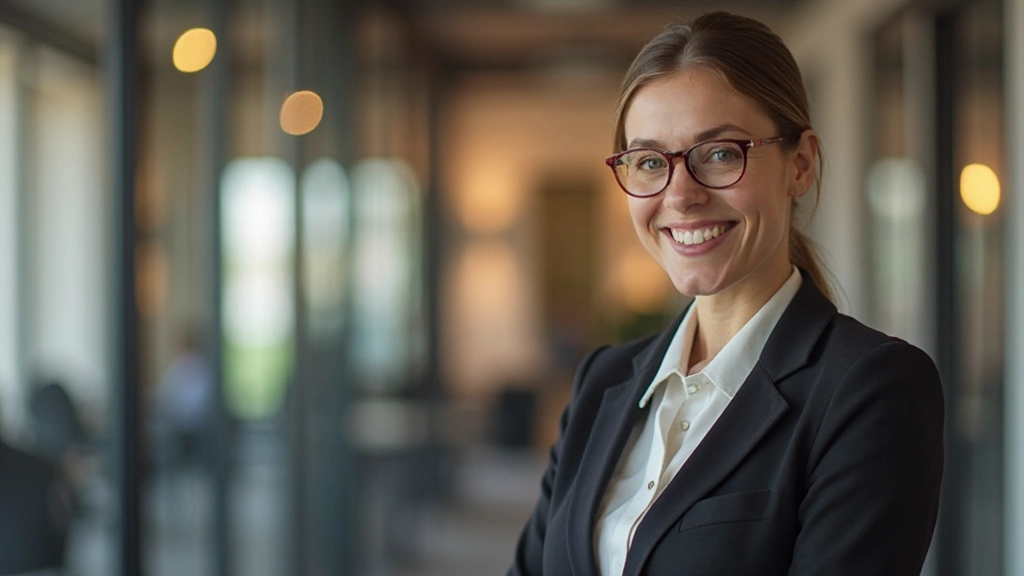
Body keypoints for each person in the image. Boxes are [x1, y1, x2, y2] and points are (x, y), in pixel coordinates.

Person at [508, 12, 943, 576]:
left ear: (801, 165)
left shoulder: (870, 388)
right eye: (648, 162)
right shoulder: (603, 382)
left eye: (719, 153)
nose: (681, 195)